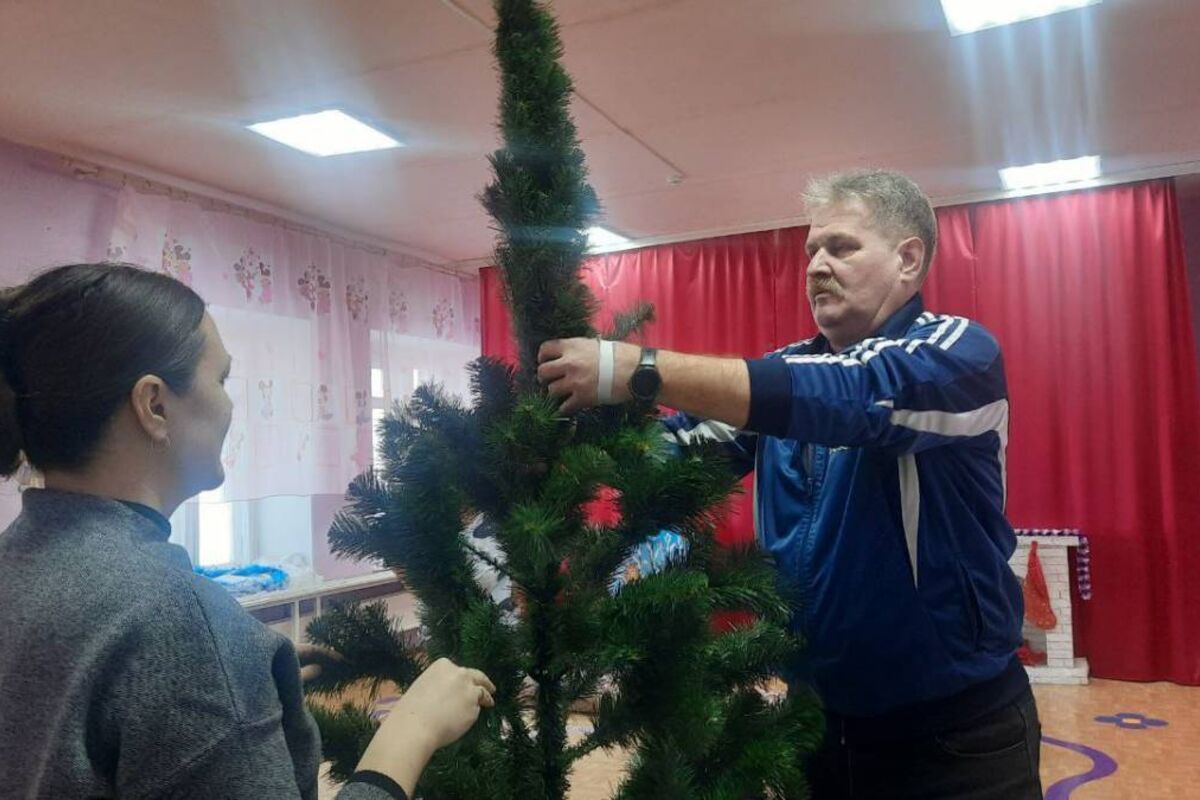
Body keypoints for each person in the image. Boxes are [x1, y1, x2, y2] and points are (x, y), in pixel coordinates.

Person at [536, 170, 1042, 799]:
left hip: (954, 736)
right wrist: (554, 438)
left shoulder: (956, 353)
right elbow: (672, 455)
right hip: (813, 727)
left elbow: (857, 396)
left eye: (841, 247)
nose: (816, 267)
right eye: (810, 252)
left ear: (908, 258)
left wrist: (625, 366)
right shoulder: (784, 377)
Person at [0, 263, 495, 800]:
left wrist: (245, 683)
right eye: (221, 379)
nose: (231, 404)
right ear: (155, 405)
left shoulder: (18, 565)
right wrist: (410, 732)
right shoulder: (176, 617)